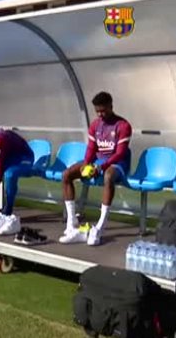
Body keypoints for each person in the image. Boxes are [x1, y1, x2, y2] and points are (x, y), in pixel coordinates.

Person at [59, 91, 132, 246]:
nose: (100, 114)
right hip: (99, 161)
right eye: (97, 111)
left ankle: (100, 225)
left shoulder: (123, 125)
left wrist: (101, 167)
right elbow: (91, 149)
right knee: (66, 175)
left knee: (108, 176)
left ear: (111, 106)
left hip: (117, 163)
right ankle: (72, 223)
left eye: (103, 110)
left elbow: (120, 153)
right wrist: (86, 164)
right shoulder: (95, 125)